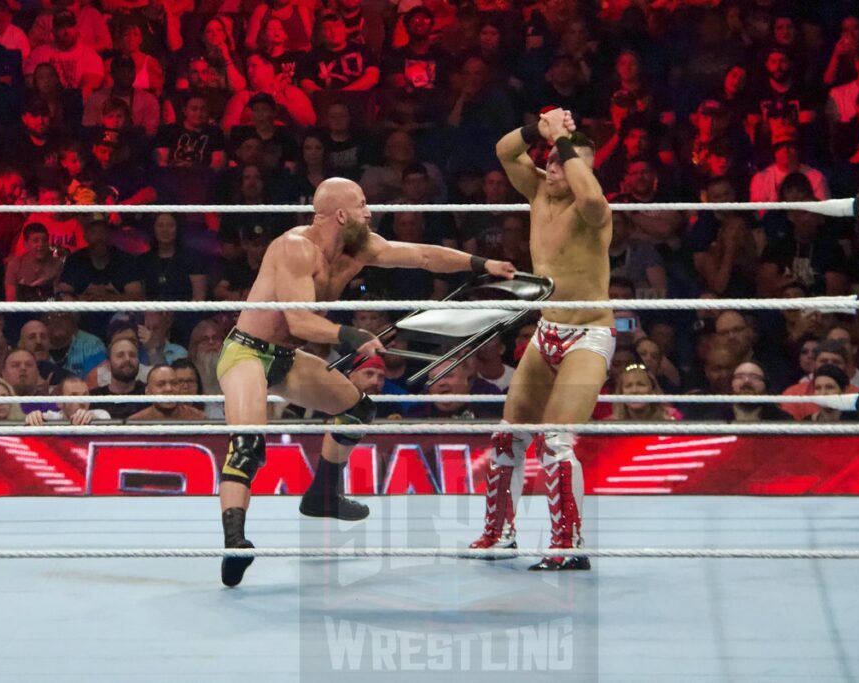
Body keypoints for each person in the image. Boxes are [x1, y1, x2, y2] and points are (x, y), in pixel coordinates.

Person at [214, 176, 514, 587]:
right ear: (341, 214)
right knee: (248, 444)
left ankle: (323, 494)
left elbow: (422, 256)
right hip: (248, 351)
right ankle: (235, 542)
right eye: (362, 204)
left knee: (357, 408)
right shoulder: (295, 248)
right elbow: (298, 320)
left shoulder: (360, 247)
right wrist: (350, 336)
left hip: (283, 359)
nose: (370, 212)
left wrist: (480, 265)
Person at [470, 107, 613, 571]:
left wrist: (567, 149)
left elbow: (590, 196)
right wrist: (542, 128)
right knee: (508, 439)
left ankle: (569, 546)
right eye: (549, 160)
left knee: (556, 440)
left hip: (589, 333)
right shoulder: (536, 192)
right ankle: (499, 534)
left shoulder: (592, 211)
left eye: (564, 163)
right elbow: (503, 151)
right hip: (547, 329)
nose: (554, 168)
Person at [129, 365, 207, 421]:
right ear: (148, 391)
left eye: (174, 383)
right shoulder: (136, 422)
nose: (169, 389)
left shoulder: (198, 418)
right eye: (161, 384)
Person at [25, 375, 111, 425]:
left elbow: (103, 419)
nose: (81, 401)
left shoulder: (101, 414)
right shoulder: (53, 417)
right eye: (74, 395)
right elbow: (39, 417)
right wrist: (33, 416)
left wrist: (91, 419)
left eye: (85, 395)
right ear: (59, 402)